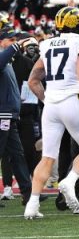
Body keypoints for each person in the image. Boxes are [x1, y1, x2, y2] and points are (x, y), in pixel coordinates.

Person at [24, 7, 79, 218]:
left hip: (52, 105)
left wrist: (48, 99)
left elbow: (33, 80)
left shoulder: (46, 44)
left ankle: (32, 204)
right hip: (73, 99)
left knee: (47, 156)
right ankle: (70, 180)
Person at [0, 28, 34, 206]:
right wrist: (15, 46)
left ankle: (29, 195)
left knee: (18, 155)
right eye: (10, 39)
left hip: (9, 115)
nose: (15, 42)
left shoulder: (8, 61)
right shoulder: (4, 57)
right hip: (2, 115)